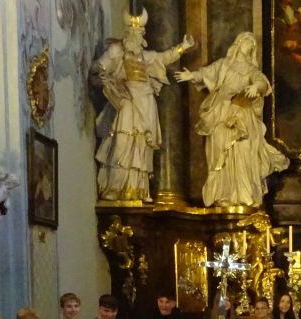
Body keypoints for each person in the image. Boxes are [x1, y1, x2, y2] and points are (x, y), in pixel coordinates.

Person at [92, 8, 194, 201]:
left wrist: (183, 47)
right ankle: (115, 187)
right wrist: (103, 78)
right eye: (132, 31)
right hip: (126, 101)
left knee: (141, 144)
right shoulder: (116, 51)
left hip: (145, 101)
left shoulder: (145, 56)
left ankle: (137, 189)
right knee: (122, 142)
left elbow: (164, 57)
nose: (135, 34)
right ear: (126, 32)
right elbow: (97, 69)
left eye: (139, 32)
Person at [176, 32, 289, 207]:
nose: (249, 45)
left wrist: (256, 87)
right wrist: (192, 76)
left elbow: (263, 83)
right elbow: (207, 72)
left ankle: (244, 195)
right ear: (238, 43)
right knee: (220, 151)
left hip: (242, 112)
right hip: (220, 112)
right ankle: (224, 194)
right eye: (247, 41)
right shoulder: (224, 64)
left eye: (252, 44)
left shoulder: (252, 70)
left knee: (243, 151)